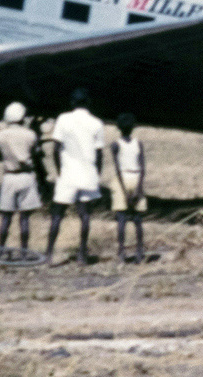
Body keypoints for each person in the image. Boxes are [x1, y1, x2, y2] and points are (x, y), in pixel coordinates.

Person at [48, 88, 104, 264]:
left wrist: (60, 170)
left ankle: (48, 253)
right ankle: (82, 254)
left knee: (57, 214)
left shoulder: (63, 119)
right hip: (87, 173)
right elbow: (99, 153)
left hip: (68, 173)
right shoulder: (97, 123)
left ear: (72, 102)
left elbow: (56, 149)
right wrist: (97, 174)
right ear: (88, 103)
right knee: (85, 215)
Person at [0, 102, 41, 251]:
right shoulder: (30, 134)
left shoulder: (0, 135)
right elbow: (36, 153)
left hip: (9, 177)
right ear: (22, 117)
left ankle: (1, 249)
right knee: (25, 218)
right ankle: (24, 251)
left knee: (6, 218)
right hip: (26, 177)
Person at [109, 112, 148, 263]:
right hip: (137, 177)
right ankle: (139, 252)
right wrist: (138, 189)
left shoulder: (115, 144)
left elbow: (117, 168)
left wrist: (124, 191)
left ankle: (121, 252)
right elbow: (143, 167)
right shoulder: (138, 143)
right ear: (133, 127)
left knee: (122, 219)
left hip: (122, 179)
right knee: (138, 219)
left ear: (118, 128)